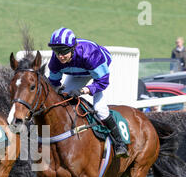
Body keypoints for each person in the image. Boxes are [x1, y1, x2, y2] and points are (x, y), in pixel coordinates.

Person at [47, 27, 128, 158]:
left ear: (72, 48)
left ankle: (120, 143)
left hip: (97, 72)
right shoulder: (56, 60)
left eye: (64, 52)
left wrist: (83, 90)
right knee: (62, 102)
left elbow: (103, 82)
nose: (60, 56)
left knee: (99, 109)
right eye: (56, 51)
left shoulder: (90, 54)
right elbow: (54, 84)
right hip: (76, 73)